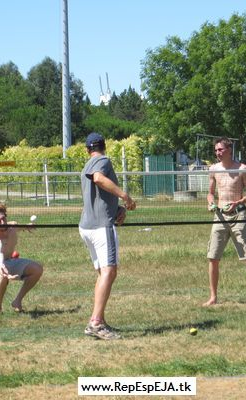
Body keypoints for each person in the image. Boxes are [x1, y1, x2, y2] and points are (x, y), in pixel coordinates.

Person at [79, 132, 136, 340]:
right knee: (110, 272)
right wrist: (124, 196)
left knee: (103, 273)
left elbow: (97, 195)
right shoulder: (102, 160)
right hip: (101, 227)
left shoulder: (87, 164)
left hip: (87, 226)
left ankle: (98, 319)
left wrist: (117, 207)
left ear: (87, 149)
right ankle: (95, 323)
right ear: (105, 147)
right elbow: (99, 179)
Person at [203, 137, 246, 306]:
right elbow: (210, 193)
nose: (218, 153)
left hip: (239, 215)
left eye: (221, 150)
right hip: (219, 217)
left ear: (229, 150)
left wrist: (238, 203)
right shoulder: (213, 169)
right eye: (216, 150)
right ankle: (213, 297)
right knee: (213, 257)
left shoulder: (242, 169)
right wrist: (210, 202)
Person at [0, 201, 43, 317]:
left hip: (10, 260)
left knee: (37, 269)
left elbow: (20, 227)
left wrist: (28, 226)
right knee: (2, 275)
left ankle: (17, 301)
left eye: (3, 218)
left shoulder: (12, 226)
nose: (2, 222)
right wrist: (2, 267)